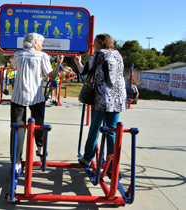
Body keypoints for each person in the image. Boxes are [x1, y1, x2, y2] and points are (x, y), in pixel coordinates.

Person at [10, 33, 63, 176]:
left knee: (17, 129)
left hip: (18, 96)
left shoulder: (18, 55)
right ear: (34, 43)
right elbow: (52, 76)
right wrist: (58, 64)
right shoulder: (43, 56)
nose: (42, 46)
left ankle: (16, 163)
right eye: (41, 43)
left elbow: (12, 65)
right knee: (39, 123)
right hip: (36, 97)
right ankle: (40, 147)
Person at [74, 34, 127, 176]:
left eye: (95, 42)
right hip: (118, 98)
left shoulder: (98, 54)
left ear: (101, 43)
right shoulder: (118, 54)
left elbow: (85, 70)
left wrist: (78, 62)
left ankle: (87, 158)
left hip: (102, 97)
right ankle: (112, 166)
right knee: (112, 131)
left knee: (95, 128)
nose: (93, 44)